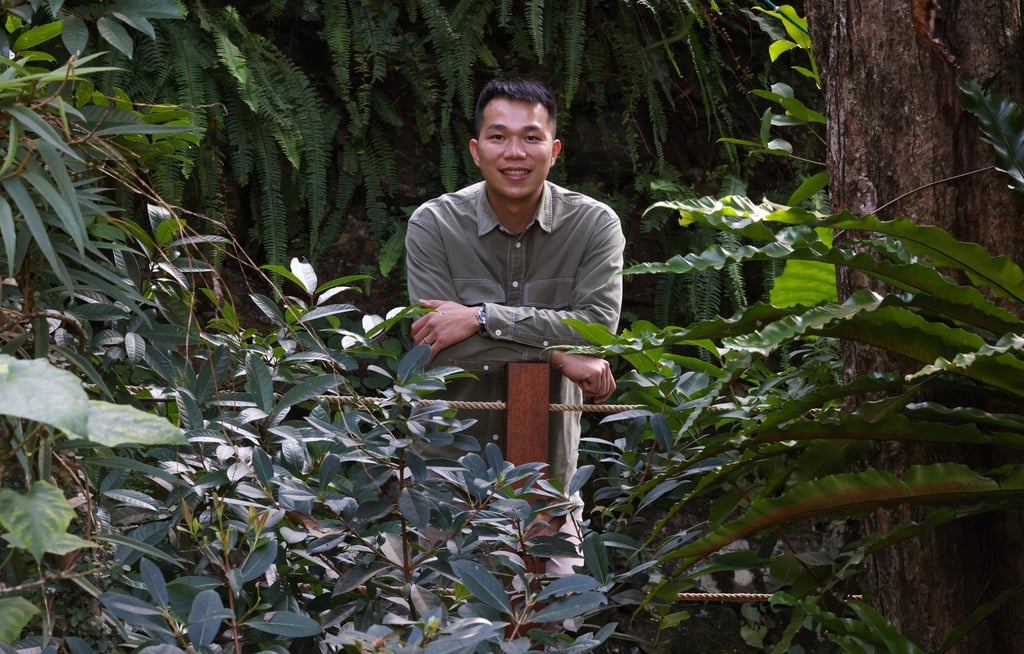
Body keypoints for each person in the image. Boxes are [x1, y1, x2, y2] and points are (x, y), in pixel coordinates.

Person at [405, 77, 625, 537]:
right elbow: (436, 346)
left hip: (551, 479)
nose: (515, 152)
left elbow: (598, 330)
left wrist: (480, 318)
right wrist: (557, 354)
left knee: (554, 606)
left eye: (531, 137)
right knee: (440, 609)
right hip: (448, 478)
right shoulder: (434, 224)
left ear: (555, 149)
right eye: (498, 136)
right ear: (475, 149)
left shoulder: (593, 226)